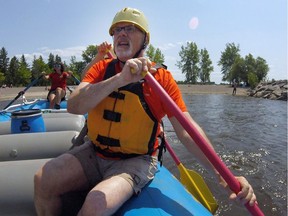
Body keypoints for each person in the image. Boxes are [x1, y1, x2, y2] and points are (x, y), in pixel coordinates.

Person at [34, 7, 257, 215]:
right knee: (43, 179)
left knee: (95, 203)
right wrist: (119, 80)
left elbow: (186, 132)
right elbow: (74, 106)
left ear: (145, 39)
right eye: (117, 30)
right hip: (94, 151)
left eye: (130, 29)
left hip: (135, 162)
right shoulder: (101, 69)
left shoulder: (161, 79)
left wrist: (222, 175)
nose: (122, 34)